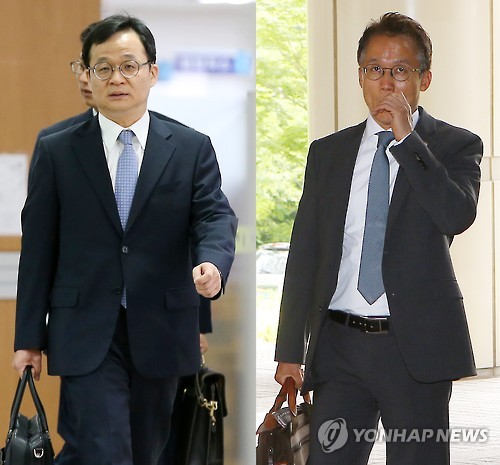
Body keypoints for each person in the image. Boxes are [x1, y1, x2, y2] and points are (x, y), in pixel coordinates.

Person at [13, 14, 237, 465]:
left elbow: (212, 216)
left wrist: (212, 267)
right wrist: (28, 338)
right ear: (87, 75)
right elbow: (38, 249)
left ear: (152, 72)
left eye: (129, 66)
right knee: (105, 449)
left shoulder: (190, 147)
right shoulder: (58, 150)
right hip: (86, 331)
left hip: (162, 327)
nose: (117, 78)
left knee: (146, 452)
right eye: (103, 68)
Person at [274, 12, 482, 465]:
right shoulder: (328, 153)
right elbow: (305, 253)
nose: (386, 83)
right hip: (339, 347)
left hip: (415, 350)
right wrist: (289, 350)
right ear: (360, 76)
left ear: (424, 78)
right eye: (375, 69)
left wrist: (407, 139)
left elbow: (456, 214)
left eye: (400, 70)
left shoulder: (455, 145)